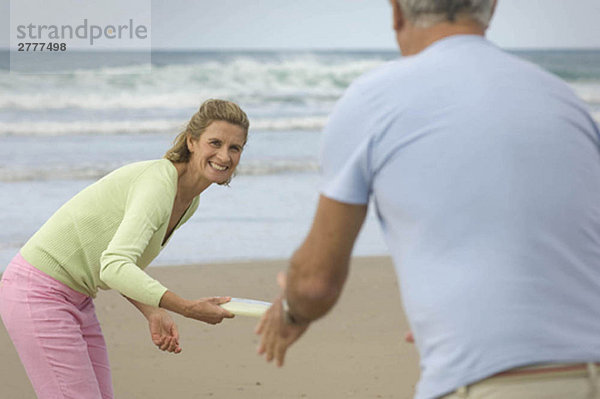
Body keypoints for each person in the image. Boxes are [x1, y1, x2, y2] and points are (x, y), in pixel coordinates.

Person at [255, 1, 600, 398]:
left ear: (397, 12)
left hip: (493, 383)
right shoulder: (565, 100)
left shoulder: (373, 99)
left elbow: (316, 283)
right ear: (490, 8)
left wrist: (293, 308)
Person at [0, 99, 248, 399]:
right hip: (38, 293)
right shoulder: (158, 184)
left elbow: (120, 260)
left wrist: (152, 310)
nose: (224, 155)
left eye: (235, 148)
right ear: (191, 142)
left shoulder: (189, 199)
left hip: (77, 298)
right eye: (215, 143)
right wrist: (187, 307)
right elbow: (115, 265)